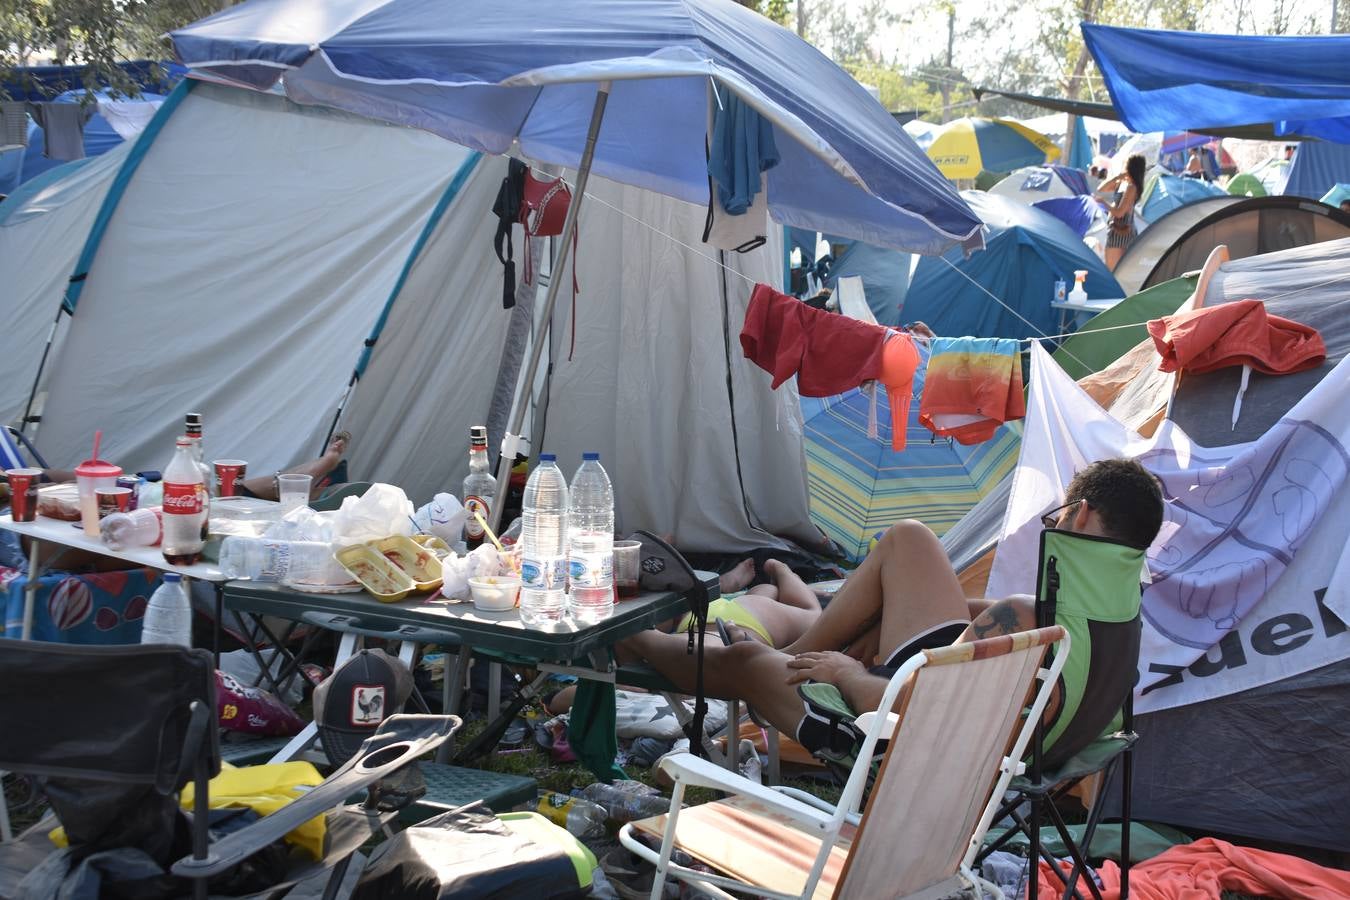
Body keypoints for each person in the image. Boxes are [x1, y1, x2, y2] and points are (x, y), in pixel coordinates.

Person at [618, 458, 1164, 764]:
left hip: (913, 748)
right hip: (1000, 738)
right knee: (909, 540)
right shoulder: (1119, 620)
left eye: (1062, 512)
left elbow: (921, 710)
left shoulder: (1025, 624)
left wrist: (849, 674)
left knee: (749, 668)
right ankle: (790, 653)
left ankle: (632, 636)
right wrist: (881, 621)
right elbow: (995, 622)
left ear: (1083, 513)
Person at [1096, 154, 1146, 271]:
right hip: (1117, 230)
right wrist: (1117, 177)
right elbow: (1101, 189)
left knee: (1114, 272)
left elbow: (1119, 213)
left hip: (1120, 232)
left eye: (1125, 165)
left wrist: (1103, 202)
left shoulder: (1131, 187)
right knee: (1117, 271)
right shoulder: (1123, 184)